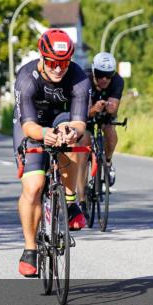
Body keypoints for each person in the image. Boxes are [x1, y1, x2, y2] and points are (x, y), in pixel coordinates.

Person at [13, 29, 90, 277]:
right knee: (34, 187)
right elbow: (27, 125)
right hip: (32, 123)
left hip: (62, 119)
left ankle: (70, 200)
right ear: (42, 57)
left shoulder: (78, 77)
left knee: (74, 139)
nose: (58, 69)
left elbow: (79, 122)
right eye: (53, 62)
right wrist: (43, 133)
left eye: (64, 63)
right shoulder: (27, 78)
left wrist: (71, 132)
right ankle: (30, 249)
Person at [85, 52, 124, 187]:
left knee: (111, 135)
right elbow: (82, 111)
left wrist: (109, 107)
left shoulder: (118, 81)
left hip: (105, 113)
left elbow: (113, 108)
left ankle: (108, 162)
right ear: (93, 71)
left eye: (108, 76)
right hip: (87, 112)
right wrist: (94, 109)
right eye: (100, 74)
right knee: (83, 139)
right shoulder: (85, 79)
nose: (104, 79)